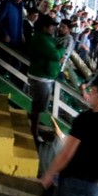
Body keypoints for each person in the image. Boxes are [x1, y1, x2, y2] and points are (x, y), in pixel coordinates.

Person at [27, 15, 65, 143]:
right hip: (41, 78)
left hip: (44, 77)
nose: (54, 28)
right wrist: (62, 49)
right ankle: (34, 132)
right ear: (44, 27)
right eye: (52, 26)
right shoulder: (41, 39)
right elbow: (55, 55)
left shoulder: (47, 38)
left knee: (38, 106)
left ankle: (34, 130)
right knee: (38, 107)